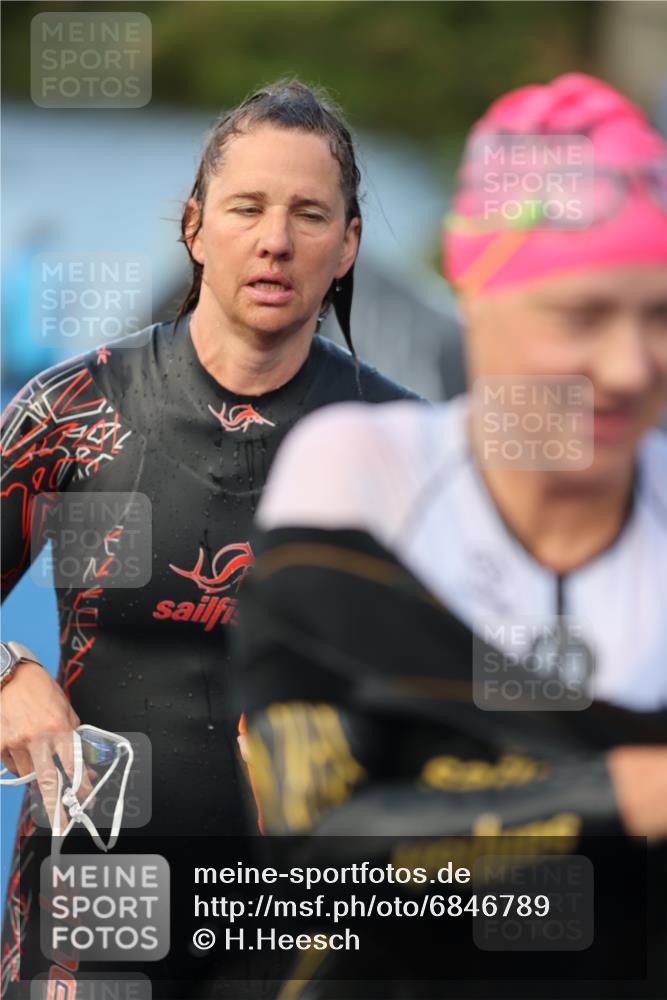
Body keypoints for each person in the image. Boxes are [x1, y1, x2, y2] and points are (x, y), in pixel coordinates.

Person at [234, 74, 667, 998]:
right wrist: (625, 794)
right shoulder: (364, 475)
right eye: (582, 316)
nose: (629, 366)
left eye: (660, 315)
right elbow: (322, 858)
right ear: (475, 292)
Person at [0, 79, 420, 998]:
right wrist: (8, 676)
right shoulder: (71, 415)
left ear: (347, 244)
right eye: (247, 208)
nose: (276, 239)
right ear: (194, 227)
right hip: (92, 906)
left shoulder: (403, 449)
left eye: (310, 214)